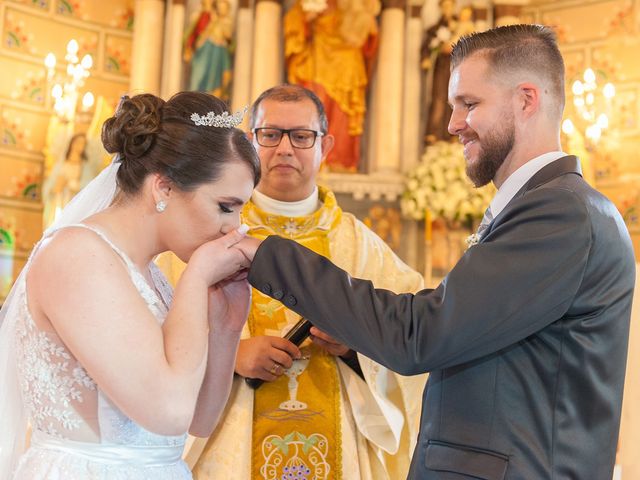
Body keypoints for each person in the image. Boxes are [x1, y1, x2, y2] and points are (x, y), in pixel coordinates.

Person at [236, 25, 636, 479]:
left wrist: (265, 256)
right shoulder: (549, 208)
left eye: (469, 104)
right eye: (452, 106)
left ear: (527, 99)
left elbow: (420, 335)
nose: (452, 124)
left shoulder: (560, 214)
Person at [0, 91, 261, 479]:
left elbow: (198, 421)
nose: (234, 228)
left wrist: (226, 326)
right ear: (165, 188)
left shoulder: (152, 276)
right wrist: (197, 277)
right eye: (225, 206)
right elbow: (169, 412)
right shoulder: (76, 256)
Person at [188, 84, 426, 479]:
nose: (285, 149)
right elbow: (151, 324)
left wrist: (355, 346)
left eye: (301, 136)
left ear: (326, 145)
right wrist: (230, 356)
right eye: (270, 134)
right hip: (231, 435)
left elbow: (415, 337)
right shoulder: (212, 233)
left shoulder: (361, 246)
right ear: (250, 141)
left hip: (342, 441)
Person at [284, 0, 380, 171]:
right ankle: (311, 160)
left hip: (348, 65)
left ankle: (339, 162)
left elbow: (369, 42)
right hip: (317, 62)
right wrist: (307, 20)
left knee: (343, 115)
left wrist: (366, 20)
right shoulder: (309, 3)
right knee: (315, 109)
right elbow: (293, 28)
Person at [183, 0, 233, 101]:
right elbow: (192, 34)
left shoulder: (222, 19)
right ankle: (194, 100)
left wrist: (218, 20)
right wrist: (188, 48)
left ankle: (212, 100)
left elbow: (228, 38)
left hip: (217, 52)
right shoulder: (198, 15)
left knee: (215, 80)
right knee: (198, 77)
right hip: (201, 51)